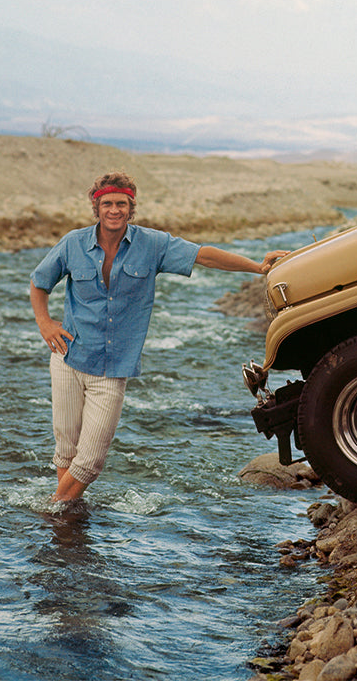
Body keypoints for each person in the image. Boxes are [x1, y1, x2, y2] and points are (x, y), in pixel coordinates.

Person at [30, 171, 287, 505]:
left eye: (121, 203)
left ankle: (52, 511)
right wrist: (45, 322)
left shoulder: (152, 245)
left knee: (90, 461)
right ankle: (67, 523)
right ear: (96, 206)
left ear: (131, 207)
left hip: (114, 368)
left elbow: (203, 254)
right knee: (66, 451)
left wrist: (258, 267)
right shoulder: (73, 243)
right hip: (68, 357)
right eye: (106, 203)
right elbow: (39, 282)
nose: (114, 210)